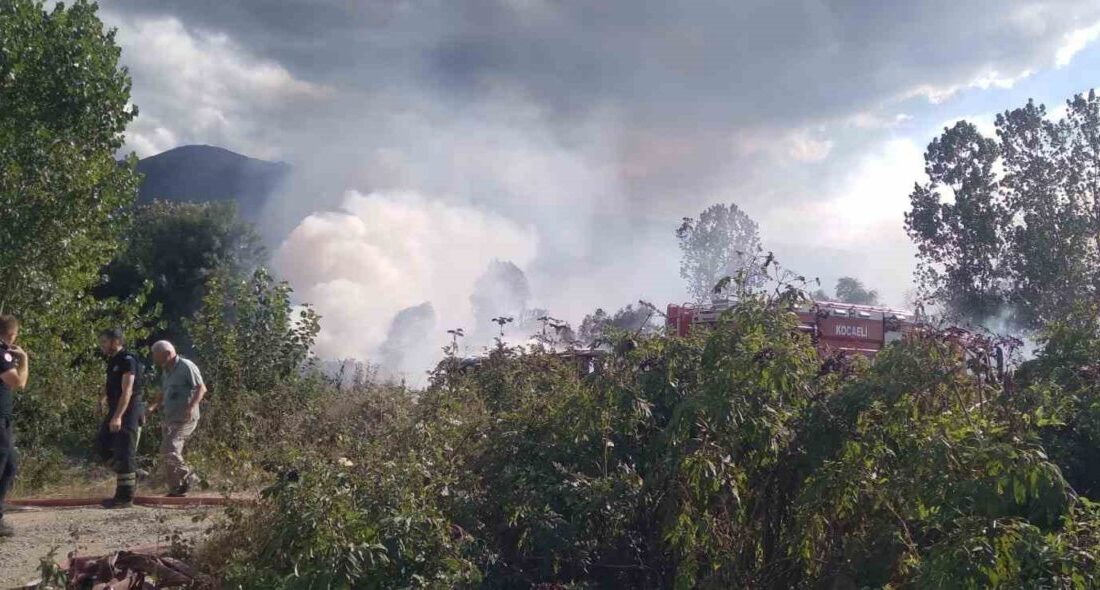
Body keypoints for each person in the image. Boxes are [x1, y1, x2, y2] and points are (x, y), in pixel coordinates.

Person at [147, 340, 205, 497]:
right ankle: (177, 488)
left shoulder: (186, 366)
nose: (154, 359)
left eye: (156, 355)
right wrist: (152, 407)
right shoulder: (166, 371)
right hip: (171, 417)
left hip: (185, 417)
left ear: (167, 354)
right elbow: (163, 393)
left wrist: (190, 407)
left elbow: (201, 388)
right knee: (167, 451)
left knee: (170, 448)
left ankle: (191, 477)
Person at [96, 328, 145, 508]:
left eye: (105, 341)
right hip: (115, 407)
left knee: (125, 452)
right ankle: (133, 473)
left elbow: (127, 391)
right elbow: (112, 385)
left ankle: (124, 498)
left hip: (128, 410)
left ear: (116, 341)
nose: (102, 346)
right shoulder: (113, 361)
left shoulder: (128, 360)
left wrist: (118, 416)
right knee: (102, 445)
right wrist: (102, 399)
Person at [0, 315, 29, 537]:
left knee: (9, 466)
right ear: (11, 334)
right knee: (4, 466)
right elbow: (18, 382)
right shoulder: (2, 355)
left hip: (4, 419)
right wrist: (24, 360)